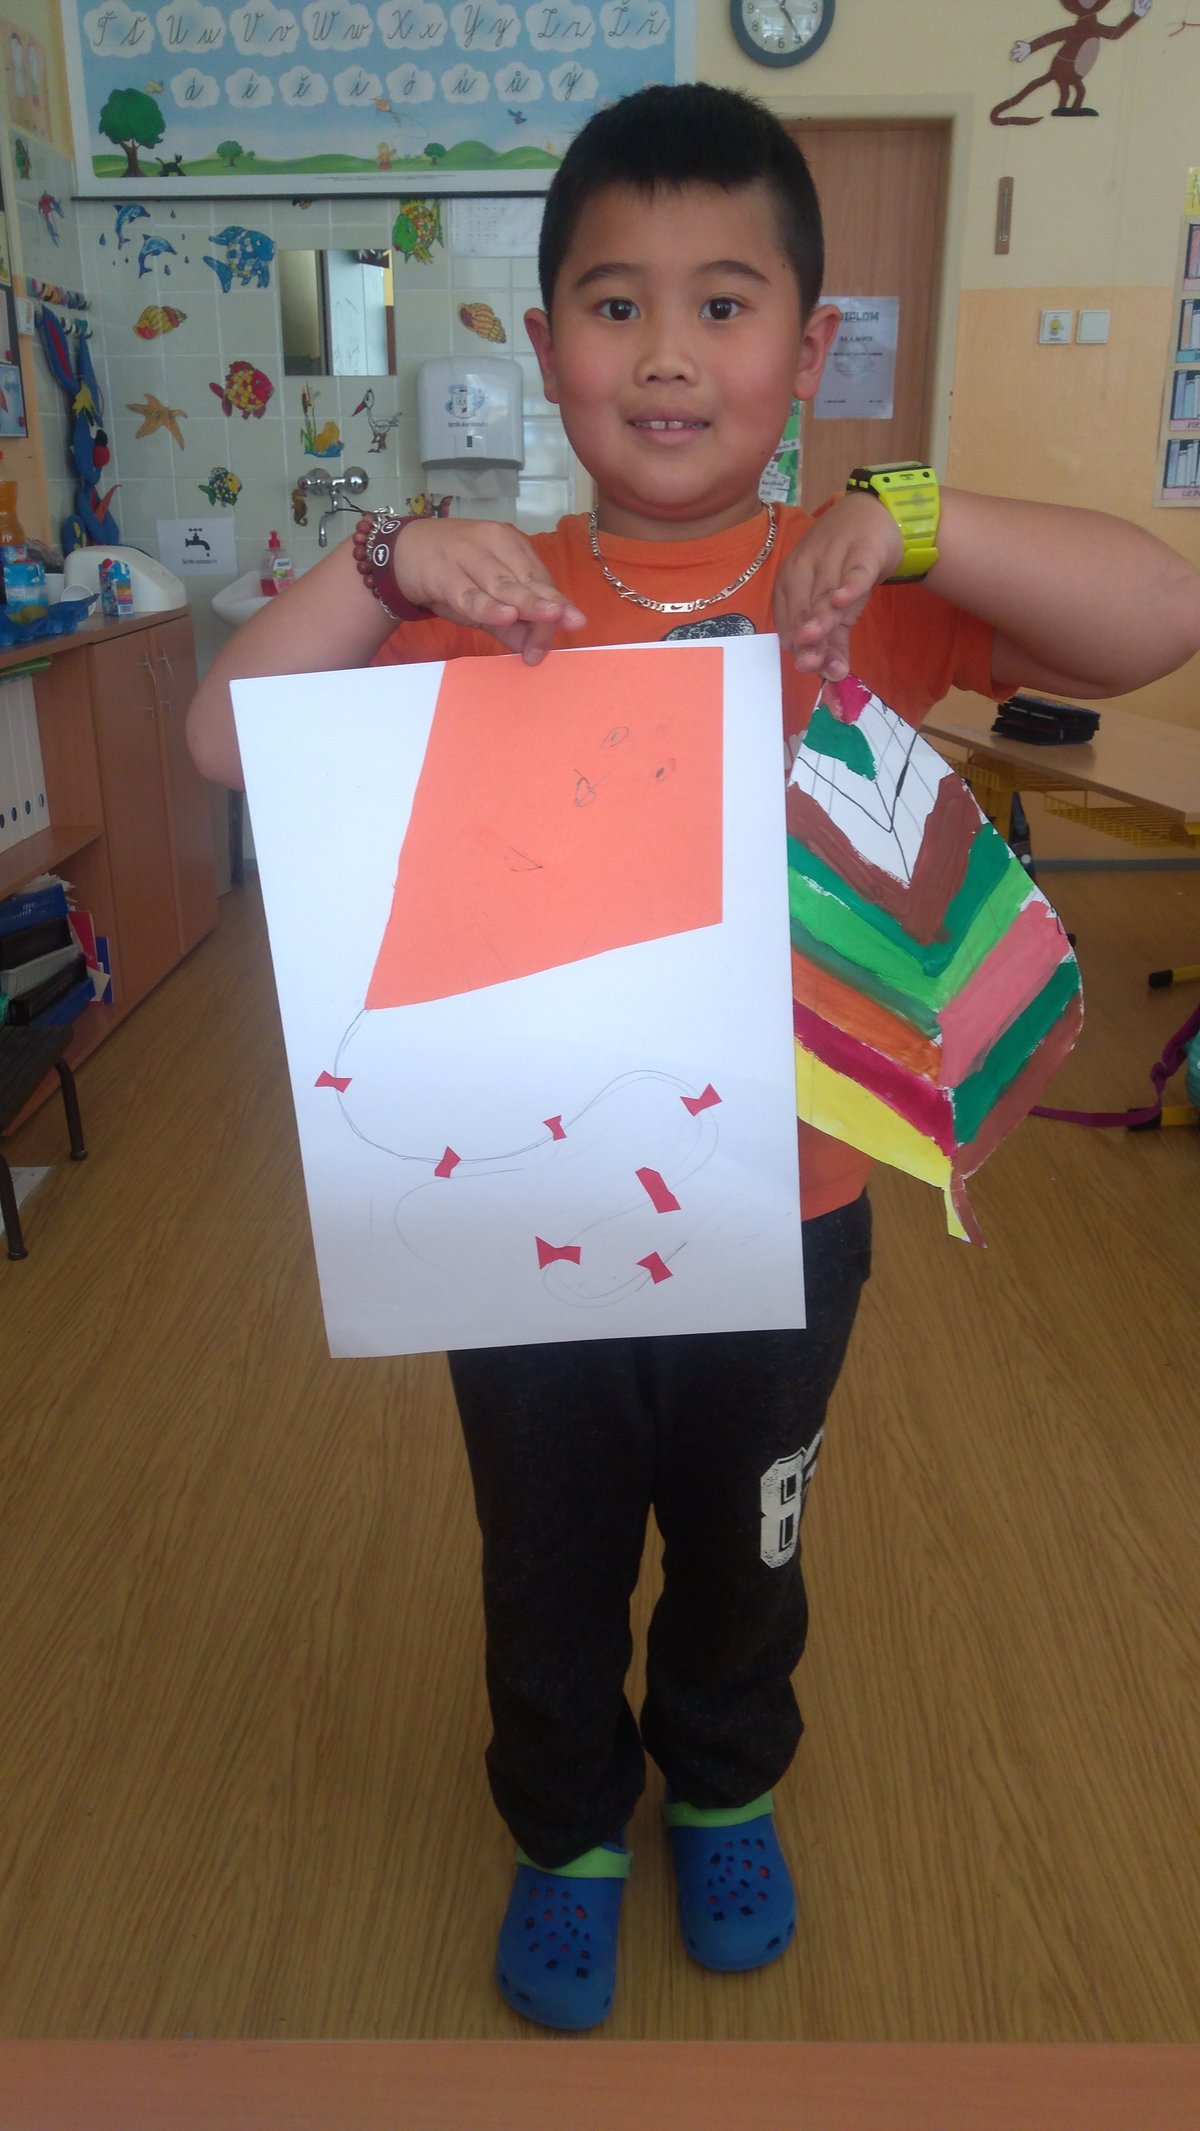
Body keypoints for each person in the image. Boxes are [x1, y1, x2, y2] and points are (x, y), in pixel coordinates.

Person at [187, 82, 1200, 2033]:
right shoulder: (480, 601)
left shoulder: (861, 588)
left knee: (750, 1536)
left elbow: (1163, 615)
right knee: (546, 1548)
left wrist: (905, 514)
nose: (668, 352)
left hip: (789, 1215)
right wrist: (390, 561)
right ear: (545, 338)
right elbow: (226, 747)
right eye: (615, 303)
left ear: (807, 347)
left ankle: (724, 1779)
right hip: (523, 1221)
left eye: (725, 304)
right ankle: (567, 1820)